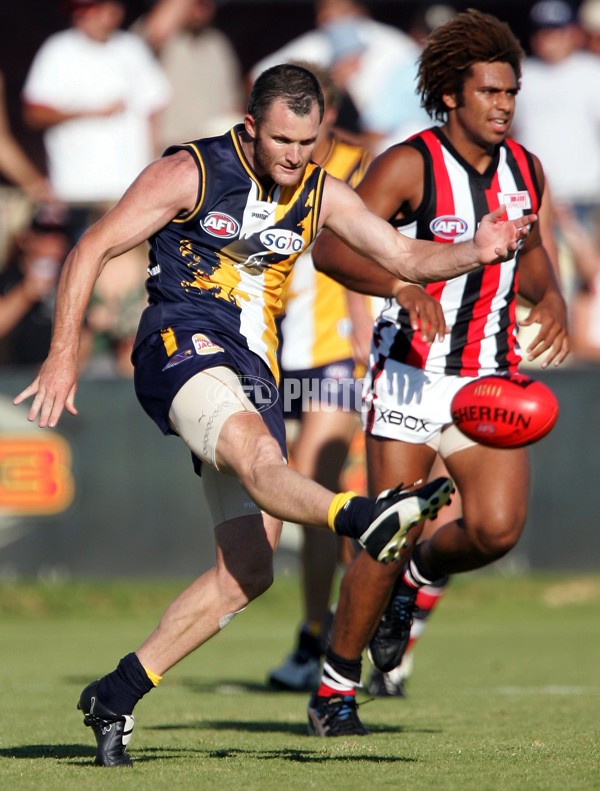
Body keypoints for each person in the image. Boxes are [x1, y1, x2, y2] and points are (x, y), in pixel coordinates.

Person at [13, 63, 533, 766]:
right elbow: (92, 245)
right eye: (284, 140)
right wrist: (63, 351)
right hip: (181, 343)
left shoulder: (322, 191)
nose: (297, 155)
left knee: (248, 570)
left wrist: (478, 248)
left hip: (256, 370)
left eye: (310, 141)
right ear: (252, 127)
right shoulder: (190, 171)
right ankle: (361, 518)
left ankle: (117, 691)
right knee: (260, 461)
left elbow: (404, 252)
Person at [306, 10, 569, 736]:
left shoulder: (526, 166)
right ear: (452, 94)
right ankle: (334, 689)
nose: (504, 105)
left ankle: (419, 577)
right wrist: (401, 283)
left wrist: (553, 300)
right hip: (412, 375)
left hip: (489, 375)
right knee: (384, 530)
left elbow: (533, 246)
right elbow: (329, 248)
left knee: (496, 530)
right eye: (490, 92)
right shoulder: (406, 164)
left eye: (511, 93)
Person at [266, 62, 374, 692]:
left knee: (311, 490)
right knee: (307, 502)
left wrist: (365, 313)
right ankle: (318, 632)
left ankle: (335, 638)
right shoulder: (265, 171)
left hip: (337, 351)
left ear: (330, 112)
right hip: (278, 350)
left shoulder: (363, 165)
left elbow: (371, 246)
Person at [22, 0, 171, 241]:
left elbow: (153, 111)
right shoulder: (58, 50)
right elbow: (34, 112)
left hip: (129, 189)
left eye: (92, 8)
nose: (84, 16)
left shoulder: (132, 49)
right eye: (79, 11)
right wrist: (89, 112)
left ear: (114, 11)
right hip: (76, 191)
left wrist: (157, 169)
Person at [248, 0, 423, 148]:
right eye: (322, 11)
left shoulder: (398, 51)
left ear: (358, 12)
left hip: (388, 144)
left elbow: (374, 140)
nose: (323, 18)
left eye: (334, 10)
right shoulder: (321, 40)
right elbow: (256, 79)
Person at [136, 0, 245, 146]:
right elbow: (159, 29)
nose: (203, 9)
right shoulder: (165, 40)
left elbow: (232, 103)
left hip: (211, 149)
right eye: (197, 3)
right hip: (170, 147)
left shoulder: (217, 43)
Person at [0, 203, 81, 367]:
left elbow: (85, 336)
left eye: (60, 236)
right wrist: (26, 293)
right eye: (45, 235)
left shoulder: (72, 278)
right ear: (26, 239)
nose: (53, 243)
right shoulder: (7, 278)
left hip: (55, 377)